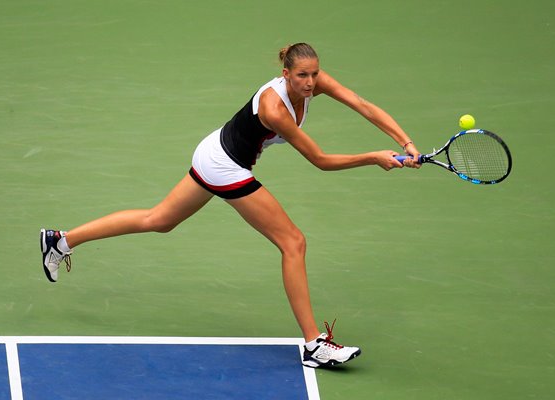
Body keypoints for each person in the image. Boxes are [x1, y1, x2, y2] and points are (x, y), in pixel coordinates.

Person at [40, 42, 421, 368]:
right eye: (302, 76)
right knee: (293, 242)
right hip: (224, 165)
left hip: (214, 151)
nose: (309, 83)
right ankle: (313, 345)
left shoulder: (313, 84)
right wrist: (373, 157)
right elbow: (319, 160)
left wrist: (405, 142)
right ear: (285, 73)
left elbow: (363, 104)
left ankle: (61, 241)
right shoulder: (275, 109)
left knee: (158, 219)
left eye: (314, 75)